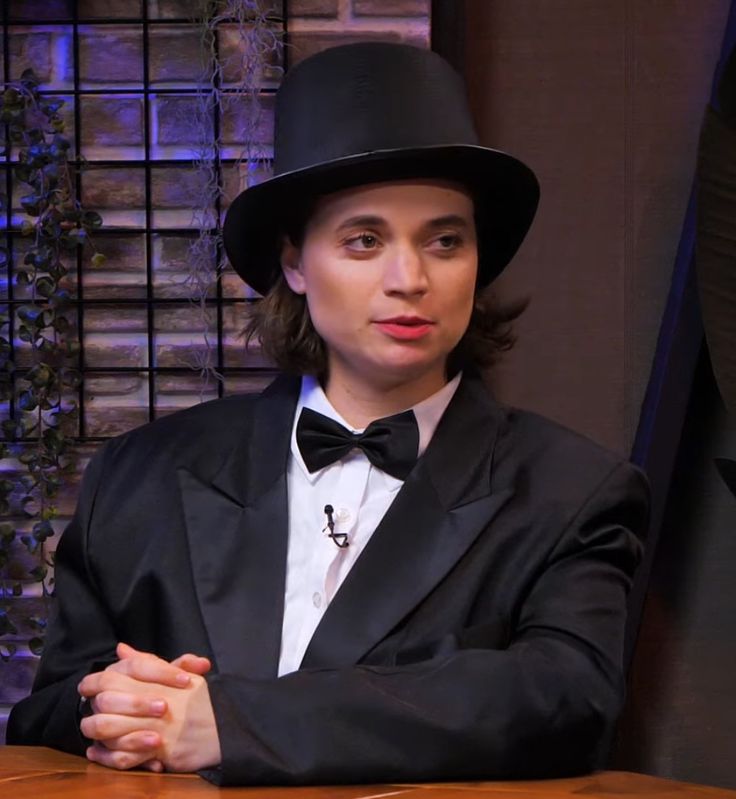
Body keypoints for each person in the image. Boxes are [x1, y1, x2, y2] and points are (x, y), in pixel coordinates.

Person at [7, 42, 649, 786]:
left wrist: (232, 723)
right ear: (294, 263)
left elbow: (565, 700)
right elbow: (49, 709)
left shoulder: (574, 491)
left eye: (445, 240)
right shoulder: (140, 473)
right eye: (364, 240)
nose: (409, 278)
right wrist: (126, 711)